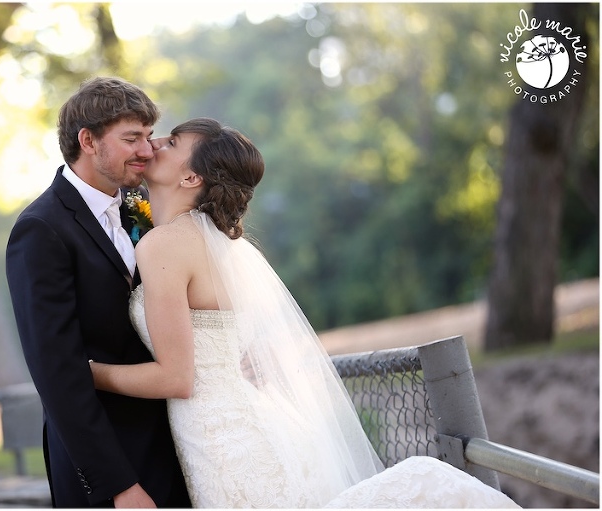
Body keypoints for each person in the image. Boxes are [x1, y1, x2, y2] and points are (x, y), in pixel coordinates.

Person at [88, 117, 522, 508]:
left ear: (191, 175)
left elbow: (176, 378)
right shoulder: (212, 241)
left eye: (171, 140)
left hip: (227, 442)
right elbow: (222, 341)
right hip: (237, 423)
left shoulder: (163, 245)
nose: (153, 144)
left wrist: (88, 372)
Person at [5, 77, 191, 508]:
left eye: (148, 136)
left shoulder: (139, 203)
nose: (147, 149)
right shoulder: (40, 230)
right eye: (131, 138)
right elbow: (57, 373)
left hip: (174, 440)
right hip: (110, 461)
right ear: (87, 140)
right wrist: (119, 486)